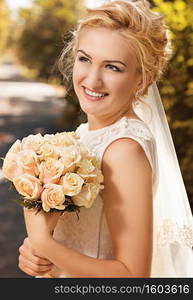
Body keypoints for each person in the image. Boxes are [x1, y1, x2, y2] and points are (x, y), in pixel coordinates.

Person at [18, 0, 193, 278]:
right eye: (85, 59)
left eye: (113, 67)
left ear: (142, 80)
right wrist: (38, 255)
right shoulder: (85, 135)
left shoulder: (123, 150)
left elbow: (133, 276)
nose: (93, 80)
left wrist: (44, 244)